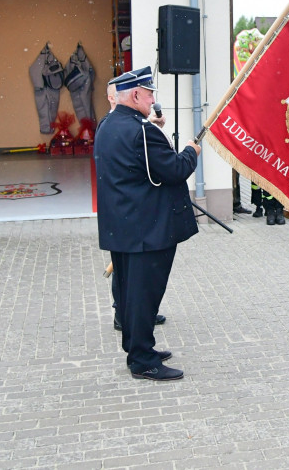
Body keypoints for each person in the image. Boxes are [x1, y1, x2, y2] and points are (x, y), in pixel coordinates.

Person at [94, 66, 201, 381]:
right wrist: (191, 151)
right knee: (144, 296)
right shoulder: (143, 132)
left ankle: (136, 345)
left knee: (129, 293)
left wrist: (149, 129)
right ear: (137, 95)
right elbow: (174, 170)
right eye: (150, 93)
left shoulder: (107, 125)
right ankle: (143, 360)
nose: (154, 99)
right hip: (148, 228)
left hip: (121, 225)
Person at [97, 78, 167, 332]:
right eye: (113, 95)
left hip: (119, 213)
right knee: (129, 276)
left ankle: (135, 317)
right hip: (128, 214)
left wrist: (153, 127)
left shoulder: (115, 126)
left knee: (128, 274)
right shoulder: (113, 125)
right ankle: (125, 316)